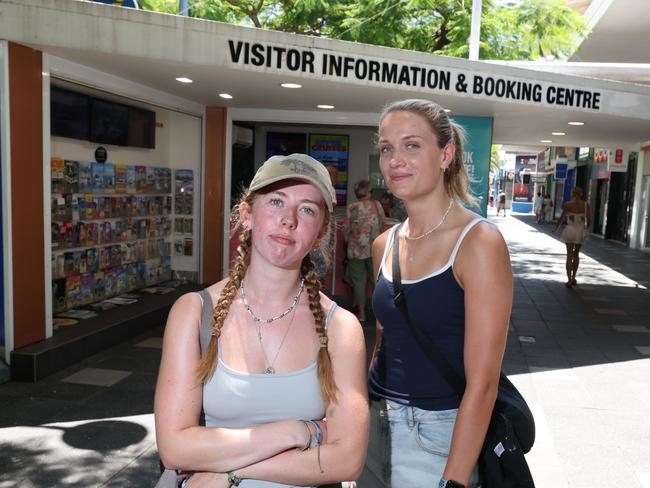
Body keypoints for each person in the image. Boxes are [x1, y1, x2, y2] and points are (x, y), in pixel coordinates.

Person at [154, 153, 369, 487]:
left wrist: (233, 470)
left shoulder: (339, 327)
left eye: (307, 209)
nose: (289, 220)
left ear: (322, 231)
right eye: (276, 202)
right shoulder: (194, 313)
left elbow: (347, 461)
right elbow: (174, 448)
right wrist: (300, 430)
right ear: (247, 214)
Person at [359, 99, 513, 488]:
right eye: (387, 148)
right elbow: (384, 338)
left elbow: (483, 383)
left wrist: (455, 479)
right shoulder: (385, 244)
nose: (395, 159)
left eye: (412, 145)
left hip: (437, 435)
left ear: (446, 155)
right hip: (374, 425)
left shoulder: (478, 243)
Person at [344, 180, 385, 322]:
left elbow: (346, 229)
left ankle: (361, 314)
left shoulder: (351, 208)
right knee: (377, 281)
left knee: (358, 282)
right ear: (368, 193)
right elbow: (383, 223)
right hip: (375, 249)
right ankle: (380, 314)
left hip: (356, 251)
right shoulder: (377, 205)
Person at [553, 186, 590, 288]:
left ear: (572, 194)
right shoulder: (586, 205)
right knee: (576, 255)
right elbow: (589, 220)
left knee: (569, 255)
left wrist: (556, 229)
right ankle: (574, 277)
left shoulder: (568, 205)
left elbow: (561, 218)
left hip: (570, 230)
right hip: (580, 231)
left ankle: (569, 279)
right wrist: (586, 229)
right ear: (581, 194)